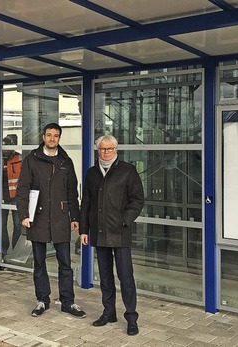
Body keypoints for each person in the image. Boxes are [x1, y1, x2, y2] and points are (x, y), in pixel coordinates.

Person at [16, 123, 85, 318]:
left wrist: (75, 217)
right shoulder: (32, 160)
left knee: (65, 263)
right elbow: (22, 189)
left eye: (56, 136)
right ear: (43, 136)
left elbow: (73, 191)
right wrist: (24, 215)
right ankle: (42, 300)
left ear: (59, 138)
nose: (52, 139)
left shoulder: (66, 161)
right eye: (49, 135)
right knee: (39, 262)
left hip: (61, 218)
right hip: (37, 217)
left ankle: (67, 301)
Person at [79, 135, 144, 336]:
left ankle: (131, 317)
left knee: (125, 276)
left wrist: (124, 220)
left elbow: (137, 199)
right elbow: (86, 204)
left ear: (116, 149)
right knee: (105, 276)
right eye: (101, 149)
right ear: (98, 150)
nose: (105, 152)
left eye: (109, 149)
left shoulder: (127, 171)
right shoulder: (92, 173)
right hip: (99, 232)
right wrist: (83, 230)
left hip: (120, 232)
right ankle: (109, 312)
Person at [0, 135, 23, 258]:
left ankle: (16, 250)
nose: (5, 150)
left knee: (18, 225)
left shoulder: (20, 159)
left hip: (16, 198)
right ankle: (3, 249)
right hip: (1, 198)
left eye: (8, 147)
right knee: (1, 225)